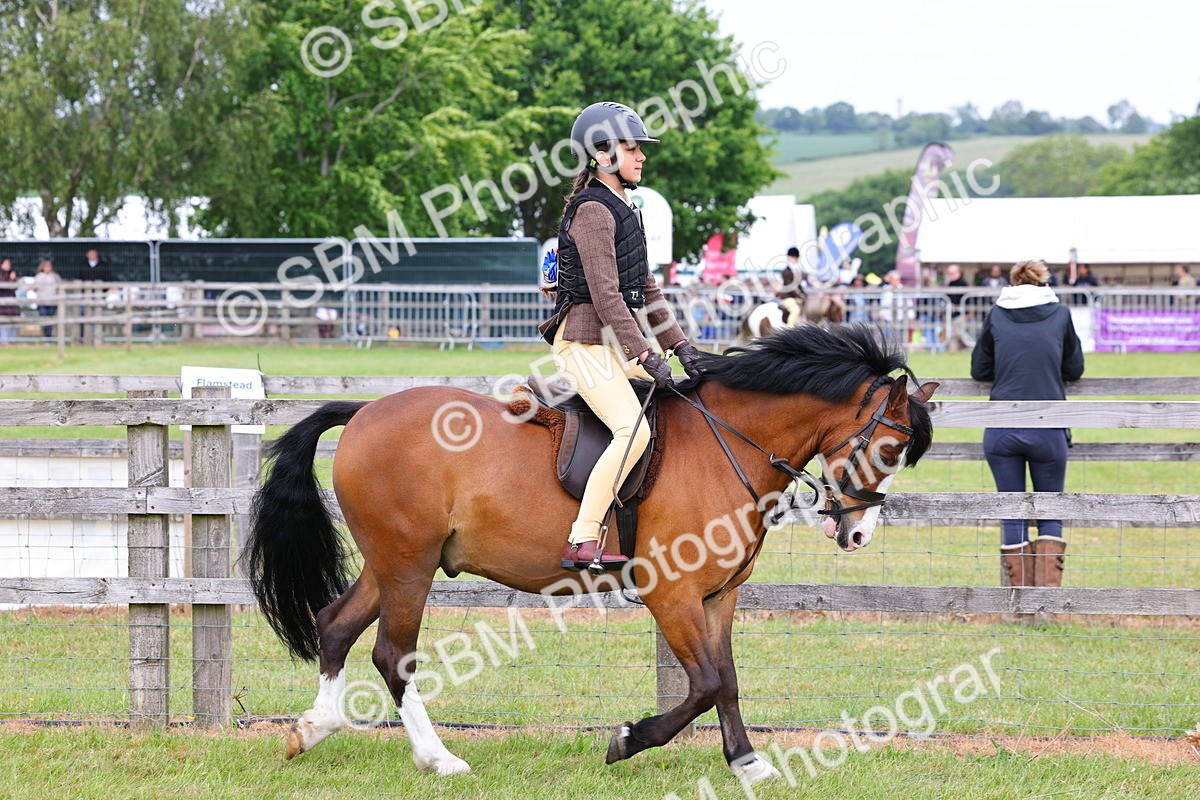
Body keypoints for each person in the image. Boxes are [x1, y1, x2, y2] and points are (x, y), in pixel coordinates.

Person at [538, 101, 700, 572]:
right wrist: (646, 352)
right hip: (583, 347)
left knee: (681, 402)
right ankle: (583, 538)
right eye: (634, 148)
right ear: (603, 154)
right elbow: (608, 298)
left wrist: (681, 345)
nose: (642, 156)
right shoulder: (592, 211)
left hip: (608, 348)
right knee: (634, 428)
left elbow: (644, 288)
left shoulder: (626, 209)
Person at [971, 260, 1084, 597]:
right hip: (1047, 427)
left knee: (1012, 512)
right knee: (1050, 511)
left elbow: (979, 369)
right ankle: (1045, 601)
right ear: (1043, 281)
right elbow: (1075, 368)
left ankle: (1019, 602)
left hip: (1002, 426)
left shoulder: (996, 313)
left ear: (1012, 281)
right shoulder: (1060, 314)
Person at [34, 258, 62, 338]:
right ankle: (46, 337)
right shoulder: (39, 276)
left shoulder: (55, 276)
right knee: (44, 318)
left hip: (52, 301)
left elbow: (59, 287)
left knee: (50, 320)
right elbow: (35, 288)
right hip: (42, 301)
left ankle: (49, 337)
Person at [0, 258, 19, 343]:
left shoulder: (11, 275)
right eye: (6, 264)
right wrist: (11, 279)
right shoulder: (2, 276)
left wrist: (12, 279)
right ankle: (4, 341)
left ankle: (12, 339)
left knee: (15, 320)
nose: (8, 265)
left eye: (9, 264)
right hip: (2, 304)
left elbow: (14, 288)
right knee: (2, 322)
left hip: (12, 304)